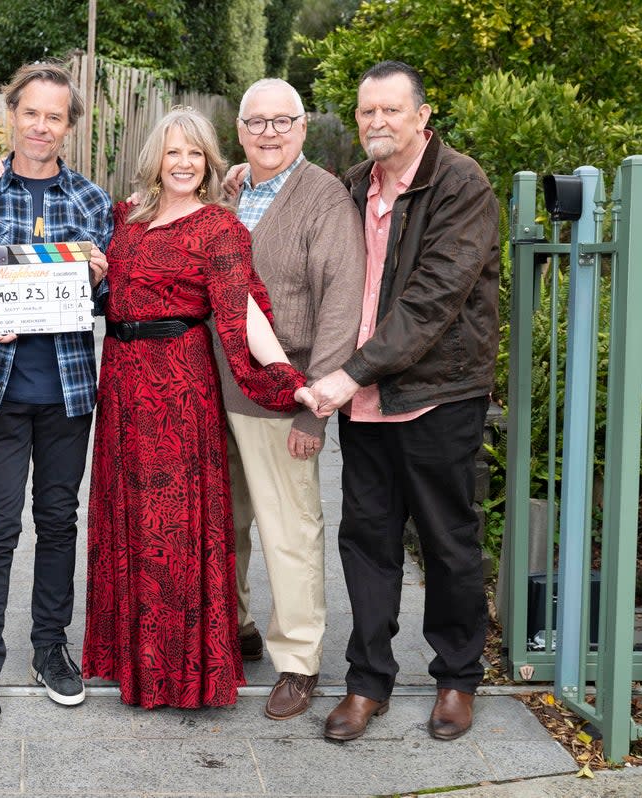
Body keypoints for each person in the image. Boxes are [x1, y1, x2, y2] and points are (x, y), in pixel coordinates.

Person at [83, 106, 315, 710]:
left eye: (194, 153)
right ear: (156, 159)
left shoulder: (220, 229)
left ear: (209, 162)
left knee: (174, 526)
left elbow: (244, 312)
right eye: (173, 152)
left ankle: (179, 671)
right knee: (128, 517)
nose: (183, 163)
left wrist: (287, 377)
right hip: (122, 387)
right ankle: (135, 657)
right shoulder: (125, 219)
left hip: (178, 389)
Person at [308, 61, 499, 742]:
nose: (377, 122)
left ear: (422, 116)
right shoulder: (355, 186)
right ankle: (368, 682)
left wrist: (348, 374)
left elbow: (431, 303)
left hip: (436, 395)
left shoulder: (461, 184)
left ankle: (456, 678)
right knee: (368, 541)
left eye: (391, 110)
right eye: (367, 112)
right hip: (366, 399)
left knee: (447, 540)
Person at [0, 60, 112, 739]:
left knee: (59, 521)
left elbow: (107, 302)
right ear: (12, 115)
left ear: (69, 126)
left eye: (55, 115)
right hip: (1, 390)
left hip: (69, 390)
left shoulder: (92, 203)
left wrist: (102, 277)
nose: (41, 125)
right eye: (31, 112)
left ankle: (50, 649)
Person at [215, 79, 365, 720]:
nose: (269, 132)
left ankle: (298, 660)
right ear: (241, 130)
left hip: (283, 395)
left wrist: (314, 408)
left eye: (283, 121)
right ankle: (239, 625)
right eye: (258, 122)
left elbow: (342, 305)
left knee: (290, 530)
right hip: (208, 389)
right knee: (226, 524)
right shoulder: (229, 190)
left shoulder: (323, 198)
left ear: (302, 129)